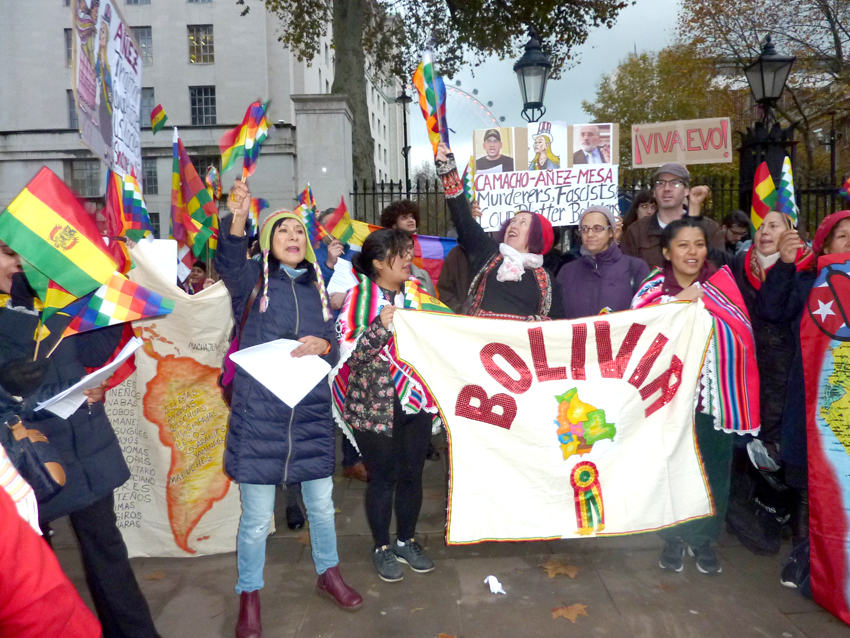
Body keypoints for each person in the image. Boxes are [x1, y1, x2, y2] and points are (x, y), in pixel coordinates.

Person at [218, 181, 363, 636]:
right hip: (259, 417)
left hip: (310, 416)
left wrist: (326, 345)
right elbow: (226, 260)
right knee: (257, 519)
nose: (293, 239)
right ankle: (249, 597)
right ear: (267, 243)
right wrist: (239, 218)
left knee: (322, 507)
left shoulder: (319, 288)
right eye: (282, 233)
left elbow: (335, 346)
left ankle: (329, 574)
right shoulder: (252, 282)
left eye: (298, 233)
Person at [0, 242, 159, 638]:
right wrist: (11, 388)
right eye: (7, 255)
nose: (18, 265)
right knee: (39, 568)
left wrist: (111, 305)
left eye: (23, 255)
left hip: (87, 444)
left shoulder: (54, 301)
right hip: (33, 457)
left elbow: (92, 350)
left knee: (107, 552)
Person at [331, 230, 450, 582]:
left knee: (412, 474)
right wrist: (381, 328)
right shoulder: (357, 298)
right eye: (401, 253)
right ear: (379, 263)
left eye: (409, 251)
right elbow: (352, 358)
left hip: (416, 400)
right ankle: (382, 547)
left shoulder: (420, 296)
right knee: (383, 477)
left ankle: (406, 540)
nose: (409, 258)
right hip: (375, 404)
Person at [631, 217, 742, 575]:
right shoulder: (652, 288)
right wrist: (680, 303)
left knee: (713, 470)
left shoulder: (723, 285)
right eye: (682, 245)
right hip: (665, 402)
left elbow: (739, 334)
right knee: (669, 469)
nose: (692, 252)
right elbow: (635, 337)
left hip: (714, 400)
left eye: (698, 244)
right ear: (667, 252)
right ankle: (673, 538)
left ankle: (704, 538)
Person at [756, 210, 850, 588]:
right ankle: (807, 556)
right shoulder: (809, 283)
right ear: (825, 245)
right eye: (843, 236)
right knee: (812, 482)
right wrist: (786, 265)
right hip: (813, 404)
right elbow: (771, 311)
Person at [435, 142, 564, 320]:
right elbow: (463, 219)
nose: (514, 225)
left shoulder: (546, 279)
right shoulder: (488, 254)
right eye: (513, 221)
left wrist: (539, 322)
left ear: (535, 235)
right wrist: (447, 170)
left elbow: (558, 323)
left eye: (523, 222)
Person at [621, 164, 725, 269]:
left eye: (675, 183)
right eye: (660, 183)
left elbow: (717, 272)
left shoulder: (709, 228)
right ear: (654, 192)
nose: (666, 188)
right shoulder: (636, 231)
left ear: (686, 190)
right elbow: (627, 274)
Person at [557, 205, 649, 319]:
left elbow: (647, 315)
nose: (590, 234)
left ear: (611, 232)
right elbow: (558, 318)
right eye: (585, 229)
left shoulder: (635, 267)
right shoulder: (567, 271)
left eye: (597, 228)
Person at [380, 200, 436, 296]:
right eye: (404, 218)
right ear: (393, 223)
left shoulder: (423, 275)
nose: (411, 220)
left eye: (412, 217)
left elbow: (433, 306)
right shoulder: (384, 270)